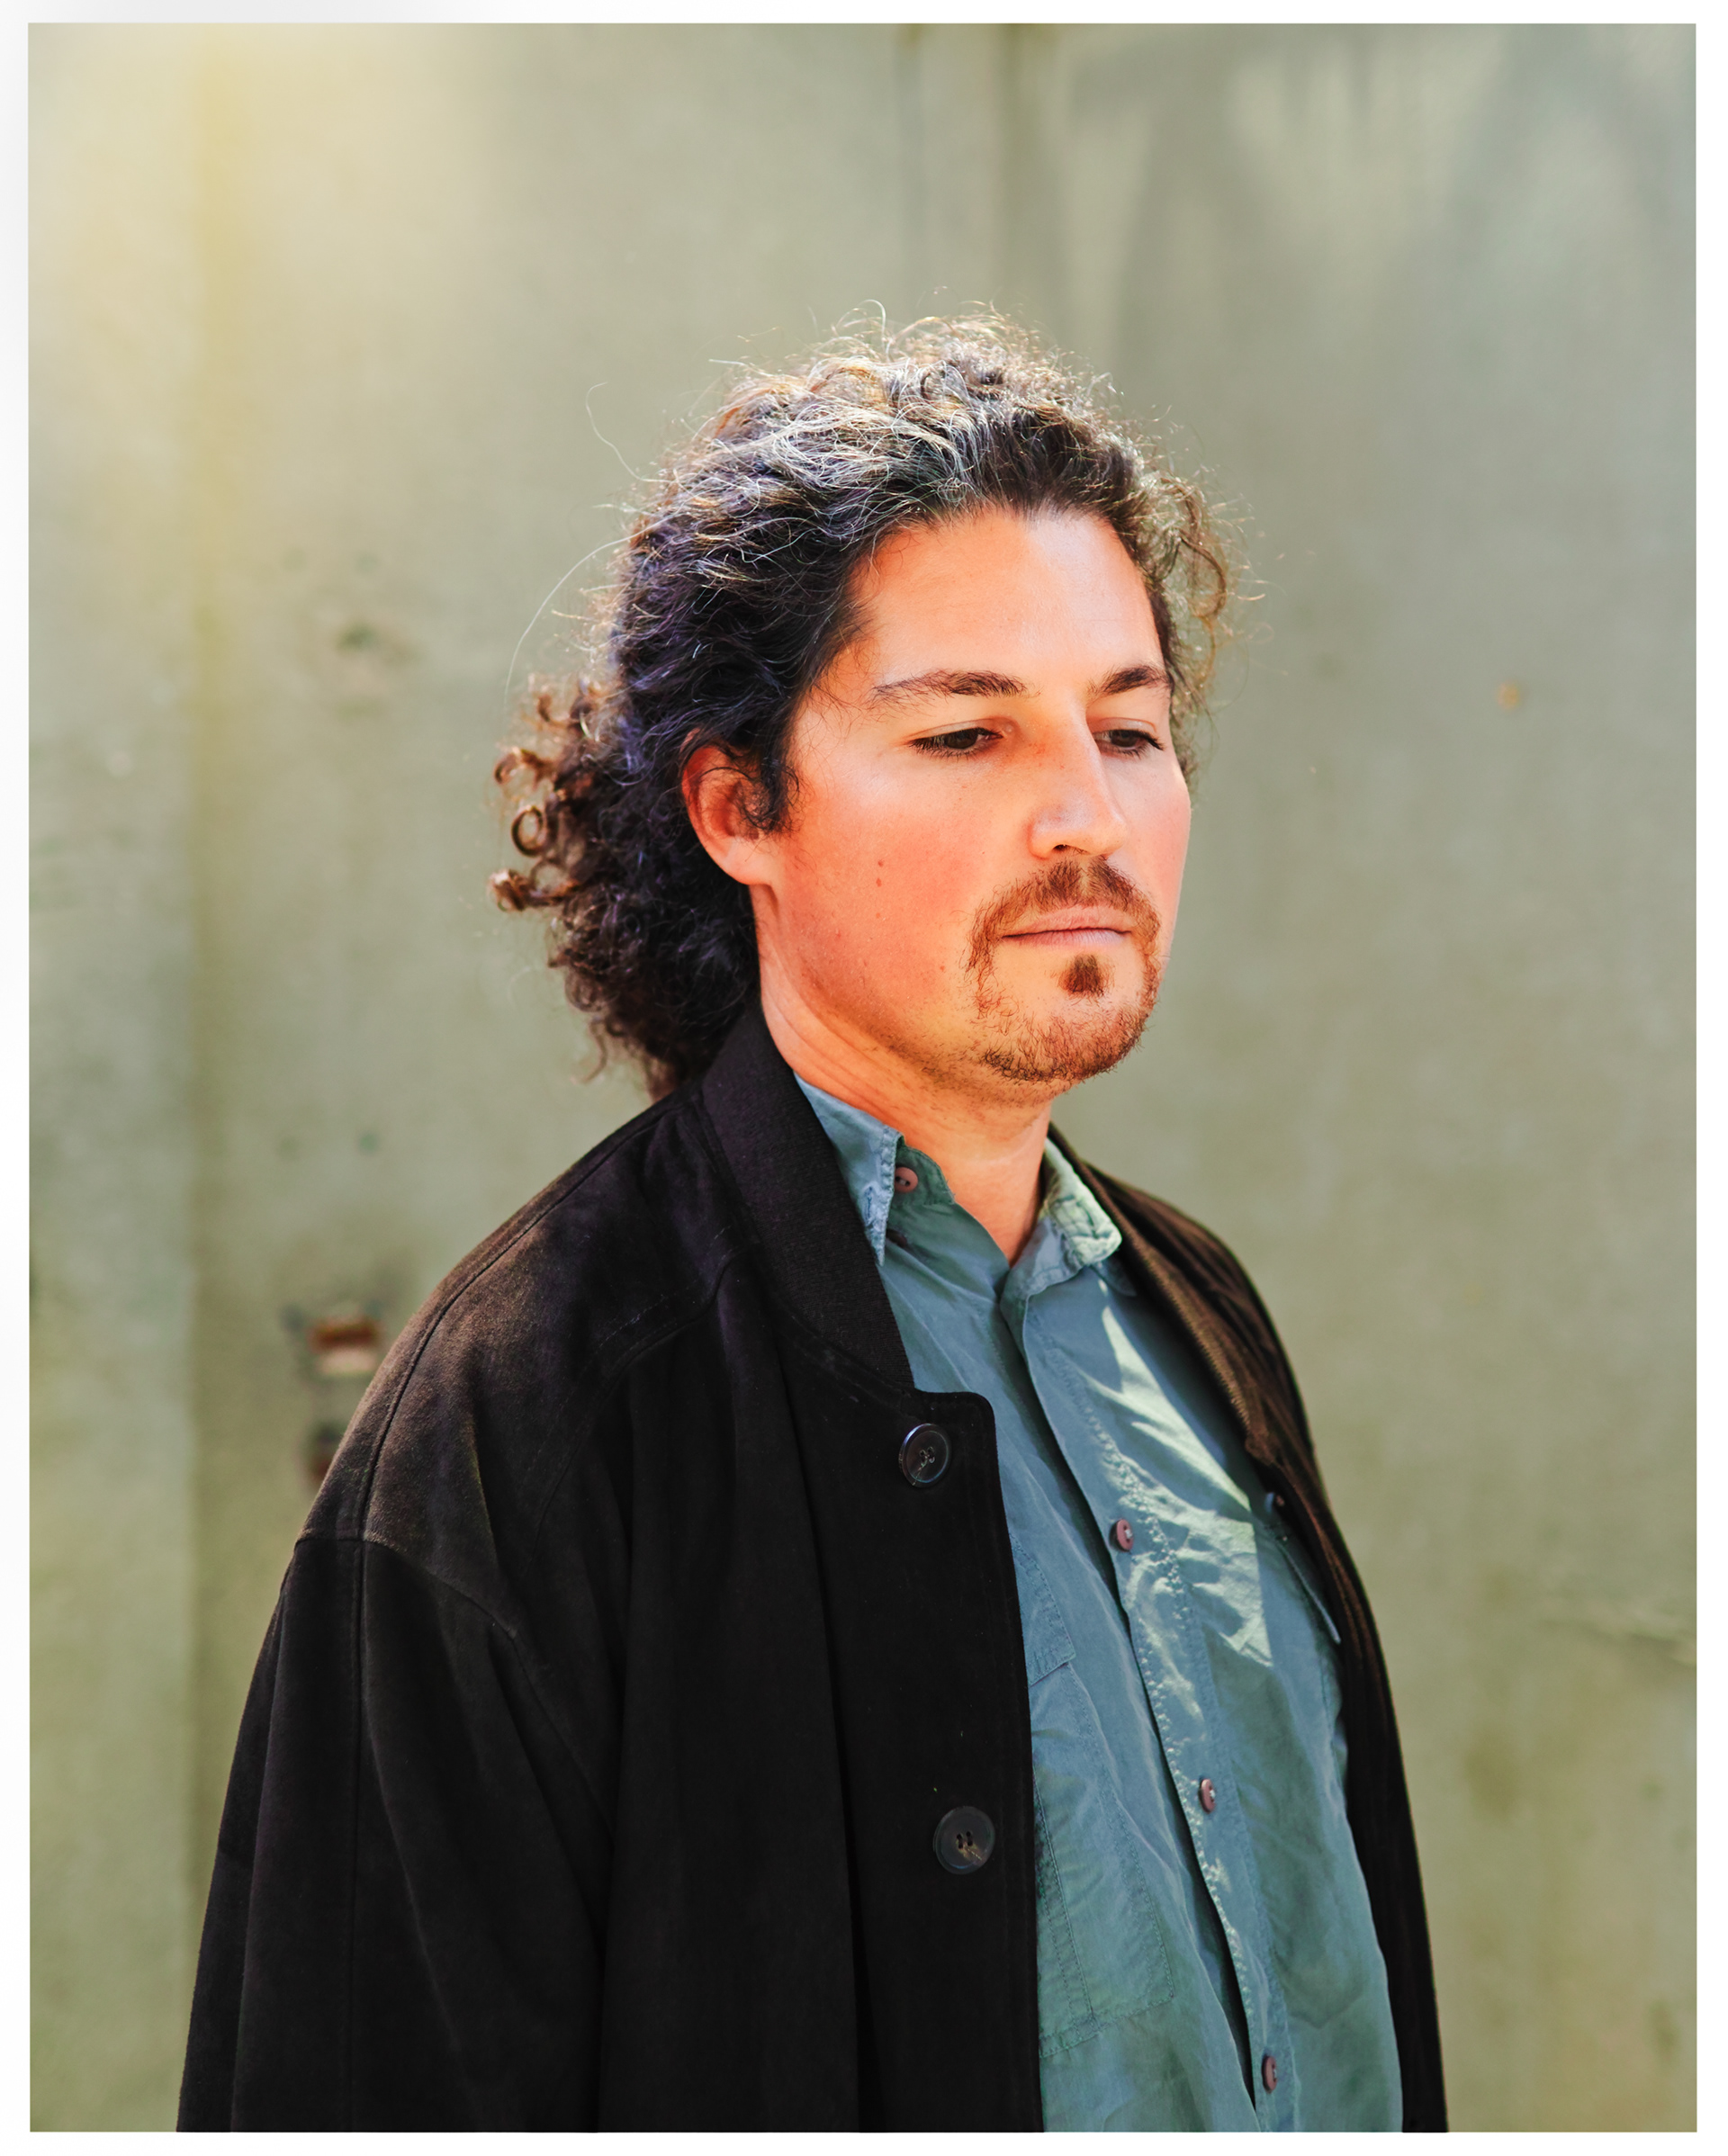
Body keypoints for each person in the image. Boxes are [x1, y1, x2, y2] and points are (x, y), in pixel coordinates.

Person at [178, 319, 1444, 2131]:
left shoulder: (1194, 1316)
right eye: (968, 732)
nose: (1086, 813)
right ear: (740, 806)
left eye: (1129, 726)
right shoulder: (523, 1424)